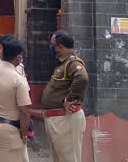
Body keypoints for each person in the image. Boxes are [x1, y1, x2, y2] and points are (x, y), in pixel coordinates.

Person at [40, 30, 88, 162]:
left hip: (65, 120)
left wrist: (69, 99)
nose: (51, 48)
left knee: (69, 158)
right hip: (57, 120)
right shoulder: (63, 64)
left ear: (60, 47)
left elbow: (82, 78)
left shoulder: (72, 63)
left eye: (52, 45)